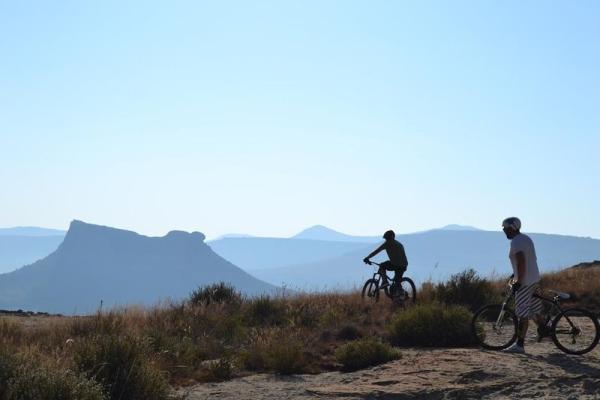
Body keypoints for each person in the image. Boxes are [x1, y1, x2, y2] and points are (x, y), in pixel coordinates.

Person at [501, 217, 544, 354]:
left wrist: (518, 281)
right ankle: (545, 330)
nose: (504, 230)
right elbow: (530, 259)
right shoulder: (526, 238)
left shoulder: (516, 242)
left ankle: (519, 345)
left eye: (505, 228)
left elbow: (521, 262)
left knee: (522, 314)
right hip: (534, 279)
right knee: (534, 309)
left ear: (512, 228)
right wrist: (515, 274)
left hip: (524, 282)